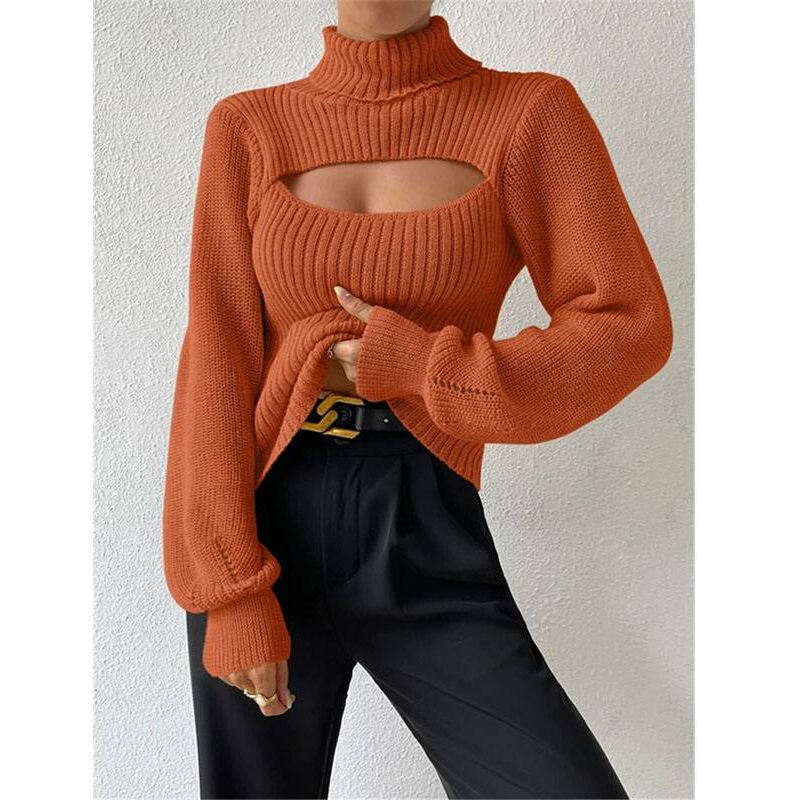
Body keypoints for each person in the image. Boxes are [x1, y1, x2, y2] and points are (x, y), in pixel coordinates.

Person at [162, 2, 673, 798]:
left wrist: (426, 365)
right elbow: (216, 361)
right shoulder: (247, 126)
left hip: (423, 511)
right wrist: (228, 591)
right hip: (264, 515)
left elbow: (629, 326)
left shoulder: (528, 113)